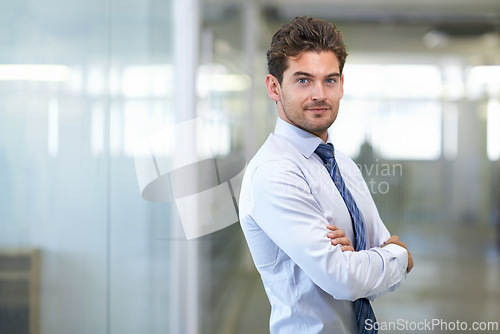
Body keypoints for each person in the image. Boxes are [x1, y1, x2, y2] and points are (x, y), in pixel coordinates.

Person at [239, 16, 414, 334]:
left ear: (342, 85)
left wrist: (368, 257)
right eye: (303, 80)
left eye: (330, 80)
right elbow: (345, 279)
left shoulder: (341, 163)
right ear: (274, 87)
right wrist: (398, 256)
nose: (320, 94)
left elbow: (371, 272)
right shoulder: (274, 173)